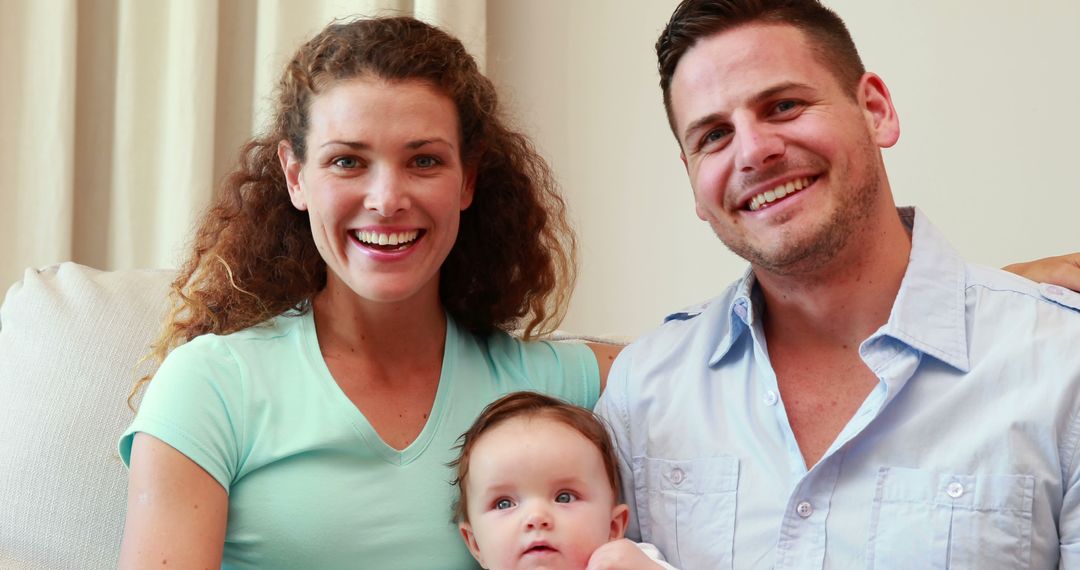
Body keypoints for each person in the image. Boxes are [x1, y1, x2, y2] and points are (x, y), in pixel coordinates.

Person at [117, 16, 619, 568]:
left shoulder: (544, 385)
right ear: (296, 176)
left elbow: (709, 368)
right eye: (347, 162)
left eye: (423, 161)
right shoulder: (212, 383)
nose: (387, 198)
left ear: (468, 179)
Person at [595, 0, 1080, 568]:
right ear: (693, 181)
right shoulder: (644, 392)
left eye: (783, 105)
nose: (753, 152)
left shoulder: (1060, 366)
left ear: (875, 110)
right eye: (714, 136)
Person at [451, 391, 675, 570]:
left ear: (613, 526)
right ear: (475, 544)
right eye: (504, 503)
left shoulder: (630, 563)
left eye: (564, 497)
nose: (536, 517)